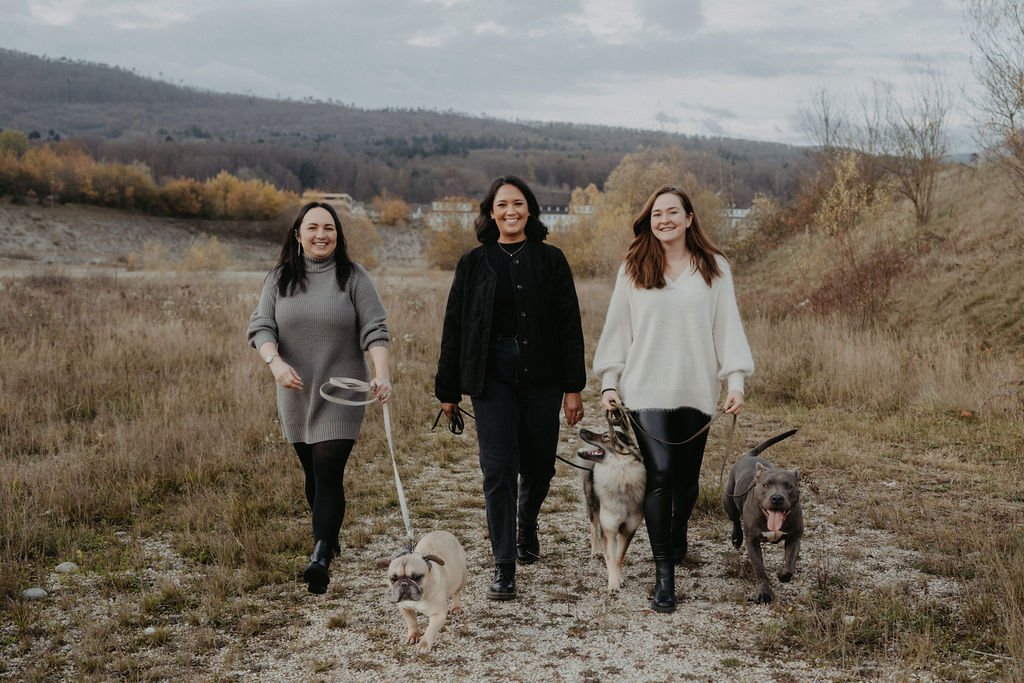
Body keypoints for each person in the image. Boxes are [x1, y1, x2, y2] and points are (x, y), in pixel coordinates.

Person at [593, 185, 753, 613]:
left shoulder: (714, 268)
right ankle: (665, 575)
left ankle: (677, 530)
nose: (663, 219)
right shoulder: (634, 266)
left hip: (697, 389)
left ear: (688, 217)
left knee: (686, 480)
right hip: (645, 388)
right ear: (649, 220)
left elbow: (727, 328)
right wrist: (610, 380)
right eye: (655, 213)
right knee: (661, 474)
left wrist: (734, 381)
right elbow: (618, 328)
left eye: (671, 212)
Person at [435, 175, 586, 600]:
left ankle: (527, 519)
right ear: (491, 212)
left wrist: (573, 387)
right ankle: (504, 565)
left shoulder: (552, 260)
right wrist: (448, 389)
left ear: (530, 209)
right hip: (491, 381)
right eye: (502, 205)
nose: (510, 211)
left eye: (517, 204)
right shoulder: (473, 263)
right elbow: (455, 328)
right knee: (498, 471)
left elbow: (569, 327)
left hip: (543, 379)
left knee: (539, 468)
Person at [247, 201, 391, 595]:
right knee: (311, 473)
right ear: (298, 234)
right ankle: (328, 533)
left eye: (328, 228)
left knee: (328, 470)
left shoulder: (354, 278)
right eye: (312, 228)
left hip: (342, 393)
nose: (321, 234)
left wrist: (382, 374)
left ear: (338, 234)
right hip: (294, 390)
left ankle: (321, 556)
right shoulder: (279, 279)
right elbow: (260, 328)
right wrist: (275, 363)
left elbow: (375, 329)